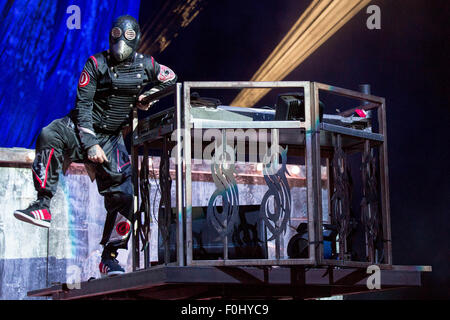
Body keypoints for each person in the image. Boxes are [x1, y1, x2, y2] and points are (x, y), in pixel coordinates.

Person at [13, 15, 177, 277]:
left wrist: (148, 96)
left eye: (128, 36)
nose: (121, 42)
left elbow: (170, 78)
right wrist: (89, 144)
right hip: (81, 129)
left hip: (112, 138)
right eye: (117, 35)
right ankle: (42, 204)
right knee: (48, 134)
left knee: (126, 198)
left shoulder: (146, 64)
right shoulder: (95, 64)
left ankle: (109, 257)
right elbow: (84, 106)